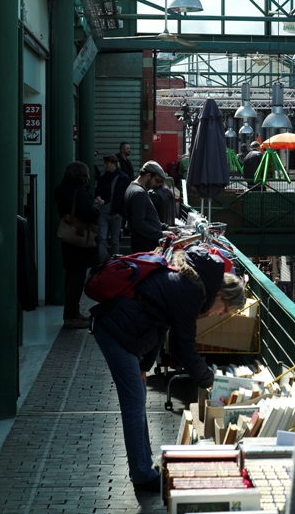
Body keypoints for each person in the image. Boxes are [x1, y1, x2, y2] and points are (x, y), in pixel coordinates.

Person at [90, 245, 246, 492]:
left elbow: (161, 325)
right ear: (220, 294)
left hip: (124, 332)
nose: (220, 314)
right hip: (117, 333)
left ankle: (144, 467)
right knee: (133, 404)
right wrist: (213, 384)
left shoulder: (189, 284)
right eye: (225, 308)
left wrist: (144, 366)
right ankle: (142, 475)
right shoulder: (192, 292)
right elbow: (185, 350)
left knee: (137, 400)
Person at [54, 161, 104, 329]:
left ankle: (73, 312)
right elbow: (90, 214)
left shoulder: (61, 190)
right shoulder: (79, 192)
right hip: (79, 240)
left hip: (68, 238)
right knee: (77, 279)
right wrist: (97, 205)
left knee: (71, 277)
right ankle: (70, 316)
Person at [124, 161, 175, 253]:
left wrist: (166, 227)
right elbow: (139, 223)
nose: (158, 184)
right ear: (148, 176)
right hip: (145, 245)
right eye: (157, 180)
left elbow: (148, 218)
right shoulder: (138, 193)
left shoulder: (134, 188)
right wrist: (160, 234)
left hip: (143, 243)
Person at [95, 154, 130, 262]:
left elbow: (126, 197)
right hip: (105, 211)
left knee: (114, 240)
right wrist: (99, 199)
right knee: (102, 238)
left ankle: (113, 262)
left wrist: (121, 212)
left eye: (107, 164)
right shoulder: (103, 178)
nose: (105, 166)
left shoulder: (123, 179)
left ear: (114, 164)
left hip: (116, 213)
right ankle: (103, 260)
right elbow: (98, 192)